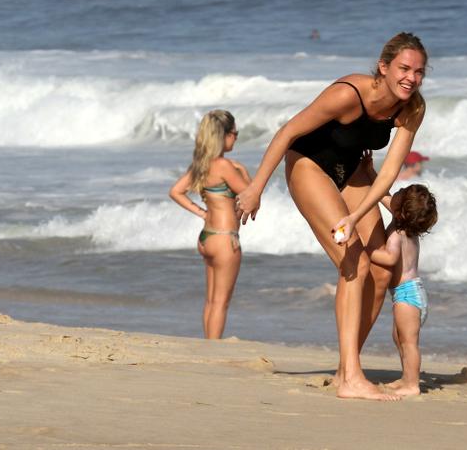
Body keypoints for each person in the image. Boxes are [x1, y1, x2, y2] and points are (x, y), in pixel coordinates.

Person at [236, 32, 428, 400]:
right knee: (352, 259)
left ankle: (346, 367)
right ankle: (352, 379)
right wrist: (255, 187)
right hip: (309, 166)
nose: (411, 78)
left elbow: (387, 174)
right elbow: (288, 131)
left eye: (419, 72)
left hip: (354, 171)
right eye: (404, 68)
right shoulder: (348, 94)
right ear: (384, 67)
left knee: (382, 268)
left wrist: (361, 212)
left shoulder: (412, 108)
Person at [169, 110, 250, 339]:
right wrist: (243, 171)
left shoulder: (201, 165)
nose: (236, 138)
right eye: (235, 133)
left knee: (211, 300)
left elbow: (176, 191)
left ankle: (208, 345)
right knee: (221, 303)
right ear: (224, 135)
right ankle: (213, 351)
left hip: (208, 236)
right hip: (226, 238)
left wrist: (203, 213)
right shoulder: (225, 166)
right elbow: (250, 196)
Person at [361, 155, 437, 396]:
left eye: (400, 193)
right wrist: (371, 173)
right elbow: (382, 196)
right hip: (413, 293)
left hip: (407, 296)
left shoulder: (397, 235)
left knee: (408, 342)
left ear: (401, 212)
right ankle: (406, 377)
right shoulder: (405, 224)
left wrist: (366, 251)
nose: (395, 194)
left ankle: (412, 384)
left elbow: (390, 258)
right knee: (399, 337)